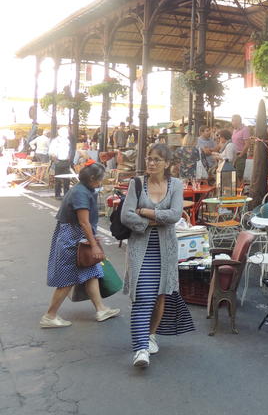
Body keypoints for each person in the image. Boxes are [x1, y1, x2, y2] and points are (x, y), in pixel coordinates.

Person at [121, 144, 194, 368]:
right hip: (140, 248)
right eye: (149, 158)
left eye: (157, 160)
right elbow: (126, 215)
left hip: (166, 249)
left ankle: (151, 335)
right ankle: (141, 349)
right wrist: (151, 222)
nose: (151, 163)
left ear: (167, 164)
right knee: (142, 297)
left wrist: (145, 212)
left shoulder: (176, 185)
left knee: (161, 294)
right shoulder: (136, 184)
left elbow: (174, 215)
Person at [41, 161, 120, 328]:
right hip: (73, 238)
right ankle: (50, 315)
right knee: (68, 278)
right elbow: (84, 223)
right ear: (92, 178)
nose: (101, 182)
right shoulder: (81, 193)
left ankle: (101, 309)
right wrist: (95, 245)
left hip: (77, 237)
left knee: (92, 271)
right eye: (100, 179)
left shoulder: (83, 189)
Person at [49, 127, 73, 199]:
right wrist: (56, 161)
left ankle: (66, 194)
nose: (68, 134)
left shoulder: (67, 141)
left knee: (67, 180)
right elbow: (52, 152)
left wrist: (69, 158)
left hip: (66, 161)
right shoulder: (55, 141)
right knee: (58, 179)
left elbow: (69, 150)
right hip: (59, 161)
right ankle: (57, 194)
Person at [230, 115, 251, 183]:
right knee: (234, 175)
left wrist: (241, 155)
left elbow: (247, 144)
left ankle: (239, 191)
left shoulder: (245, 129)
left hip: (240, 155)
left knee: (239, 175)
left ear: (237, 121)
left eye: (233, 120)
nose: (232, 122)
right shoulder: (234, 130)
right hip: (234, 155)